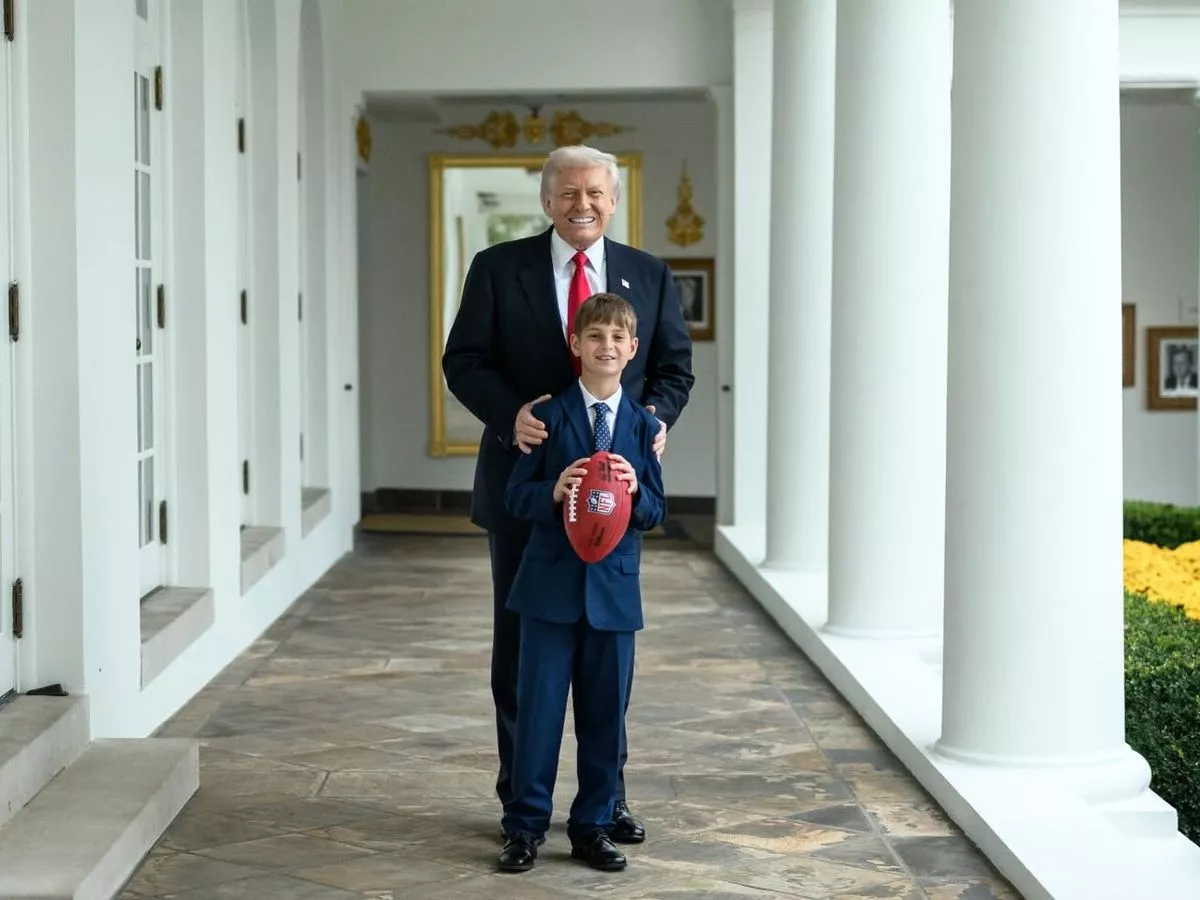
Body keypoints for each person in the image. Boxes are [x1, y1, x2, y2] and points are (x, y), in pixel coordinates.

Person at [442, 144, 694, 845]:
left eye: (595, 193)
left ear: (613, 200)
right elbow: (463, 360)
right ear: (547, 201)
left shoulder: (649, 273)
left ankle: (607, 802)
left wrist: (654, 423)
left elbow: (674, 368)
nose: (583, 205)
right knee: (521, 655)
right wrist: (510, 414)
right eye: (569, 193)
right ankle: (520, 804)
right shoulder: (498, 268)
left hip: (615, 499)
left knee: (606, 659)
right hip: (523, 487)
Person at [497, 293, 667, 873]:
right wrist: (551, 490)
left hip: (613, 595)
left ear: (633, 349)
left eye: (618, 338)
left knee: (604, 719)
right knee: (538, 715)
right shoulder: (546, 418)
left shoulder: (644, 426)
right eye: (595, 336)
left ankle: (592, 825)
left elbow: (656, 511)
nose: (606, 347)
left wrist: (636, 491)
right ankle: (524, 827)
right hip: (548, 592)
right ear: (576, 343)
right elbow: (514, 497)